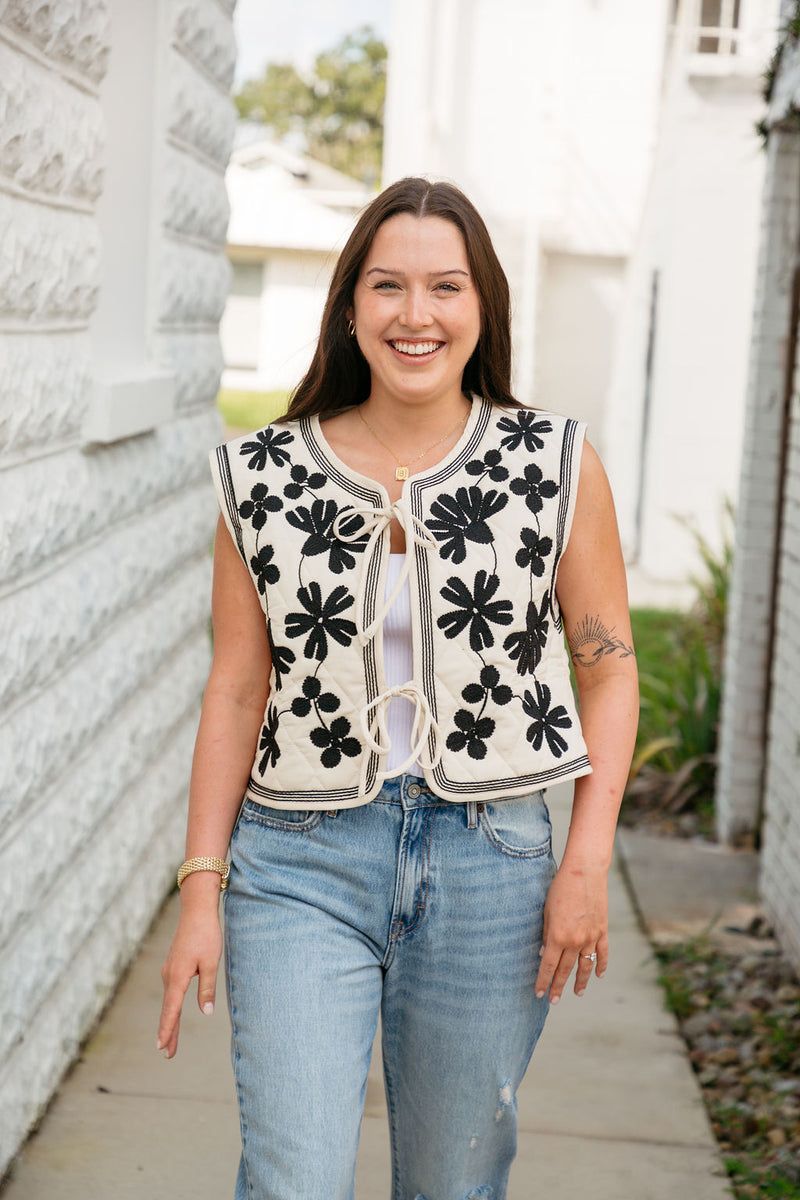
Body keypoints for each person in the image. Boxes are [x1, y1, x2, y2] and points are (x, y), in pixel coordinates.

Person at [157, 177, 639, 1200]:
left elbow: (606, 669)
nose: (414, 315)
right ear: (348, 307)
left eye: (444, 287)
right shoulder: (264, 477)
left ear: (480, 309)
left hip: (493, 861)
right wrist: (202, 888)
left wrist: (584, 865)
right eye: (386, 286)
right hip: (297, 860)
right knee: (292, 1181)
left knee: (452, 1185)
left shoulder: (550, 466)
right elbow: (237, 690)